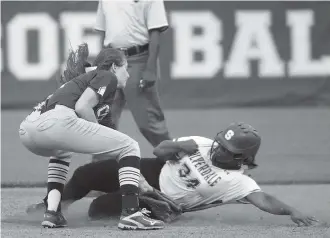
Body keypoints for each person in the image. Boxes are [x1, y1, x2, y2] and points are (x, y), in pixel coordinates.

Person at [26, 122, 318, 227]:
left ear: (241, 158)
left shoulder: (237, 182)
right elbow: (160, 151)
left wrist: (292, 211)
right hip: (154, 170)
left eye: (226, 149)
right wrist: (176, 146)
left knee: (98, 209)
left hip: (163, 200)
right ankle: (54, 207)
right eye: (220, 141)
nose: (217, 148)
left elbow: (264, 199)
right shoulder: (201, 144)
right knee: (88, 172)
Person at [19, 44, 165, 230]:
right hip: (56, 122)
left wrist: (139, 179)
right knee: (130, 145)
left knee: (63, 152)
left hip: (29, 130)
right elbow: (82, 107)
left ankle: (53, 212)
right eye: (125, 68)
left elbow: (114, 147)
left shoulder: (89, 85)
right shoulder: (107, 76)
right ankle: (131, 214)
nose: (128, 74)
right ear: (114, 66)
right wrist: (96, 132)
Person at [92, 0, 171, 159]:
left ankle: (179, 163)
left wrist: (150, 68)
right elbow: (103, 31)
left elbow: (155, 32)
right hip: (110, 59)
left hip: (137, 59)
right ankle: (101, 171)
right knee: (104, 120)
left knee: (148, 123)